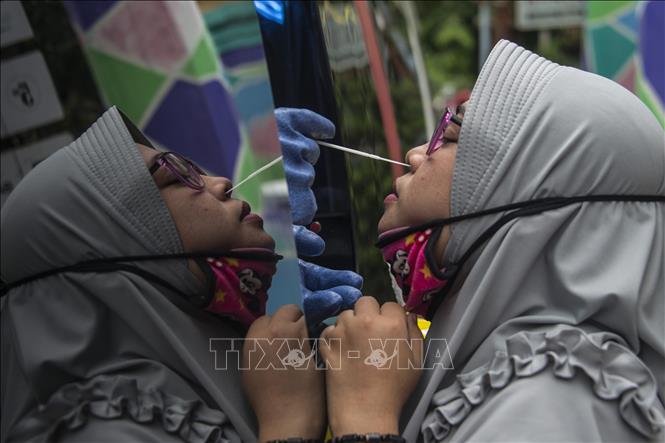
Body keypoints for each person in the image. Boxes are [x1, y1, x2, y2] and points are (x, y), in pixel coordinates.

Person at [0, 106, 346, 442]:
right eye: (178, 175)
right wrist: (289, 426)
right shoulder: (100, 432)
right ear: (119, 240)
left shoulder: (232, 371)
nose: (221, 183)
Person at [374, 40, 664, 442]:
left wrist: (364, 424)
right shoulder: (520, 373)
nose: (416, 154)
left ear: (525, 196)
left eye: (452, 137)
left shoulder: (553, 404)